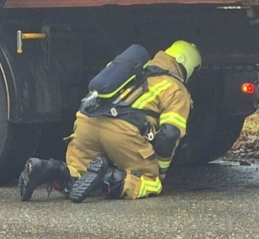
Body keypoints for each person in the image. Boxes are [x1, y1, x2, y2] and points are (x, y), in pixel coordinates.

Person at [18, 41, 201, 202]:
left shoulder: (131, 71)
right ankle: (110, 178)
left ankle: (46, 169)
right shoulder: (176, 88)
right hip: (122, 132)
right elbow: (170, 134)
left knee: (78, 173)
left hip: (87, 123)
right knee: (149, 183)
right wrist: (160, 170)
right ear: (189, 67)